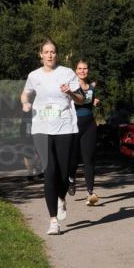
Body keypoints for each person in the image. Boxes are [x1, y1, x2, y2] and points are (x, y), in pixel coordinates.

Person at [20, 39, 82, 235]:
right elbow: (25, 94)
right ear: (40, 54)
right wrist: (25, 104)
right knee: (49, 172)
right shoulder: (34, 76)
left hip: (64, 127)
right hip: (42, 127)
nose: (49, 55)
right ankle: (53, 221)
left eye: (53, 52)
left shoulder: (67, 73)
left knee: (63, 174)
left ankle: (61, 198)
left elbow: (81, 99)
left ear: (57, 54)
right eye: (46, 52)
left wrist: (70, 92)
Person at [68, 59, 101, 205]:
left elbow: (90, 99)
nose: (83, 71)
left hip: (89, 125)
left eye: (85, 68)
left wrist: (95, 101)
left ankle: (90, 192)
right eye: (80, 68)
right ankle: (71, 180)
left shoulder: (92, 86)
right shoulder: (71, 87)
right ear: (75, 70)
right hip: (74, 125)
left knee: (89, 158)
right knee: (74, 158)